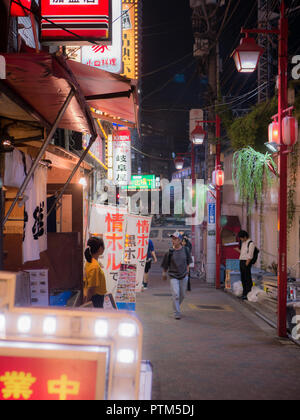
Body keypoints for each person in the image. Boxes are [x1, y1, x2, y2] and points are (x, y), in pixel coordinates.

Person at [161, 232, 193, 320]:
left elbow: (188, 262)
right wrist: (164, 273)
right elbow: (165, 264)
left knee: (182, 295)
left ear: (180, 240)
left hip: (184, 275)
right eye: (172, 239)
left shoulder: (185, 250)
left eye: (175, 239)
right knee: (176, 294)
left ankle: (176, 305)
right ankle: (177, 313)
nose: (173, 240)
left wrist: (187, 272)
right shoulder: (169, 252)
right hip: (173, 275)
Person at [83, 236, 107, 308]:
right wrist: (87, 301)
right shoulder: (94, 266)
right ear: (100, 249)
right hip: (95, 298)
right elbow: (91, 288)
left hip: (95, 296)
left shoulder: (90, 261)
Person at [236, 230, 255, 300]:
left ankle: (248, 293)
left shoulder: (251, 243)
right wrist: (238, 250)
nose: (241, 239)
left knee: (247, 278)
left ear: (245, 236)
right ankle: (244, 293)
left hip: (246, 262)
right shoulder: (243, 243)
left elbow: (250, 255)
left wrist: (246, 264)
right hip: (241, 261)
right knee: (243, 278)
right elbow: (243, 253)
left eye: (241, 238)